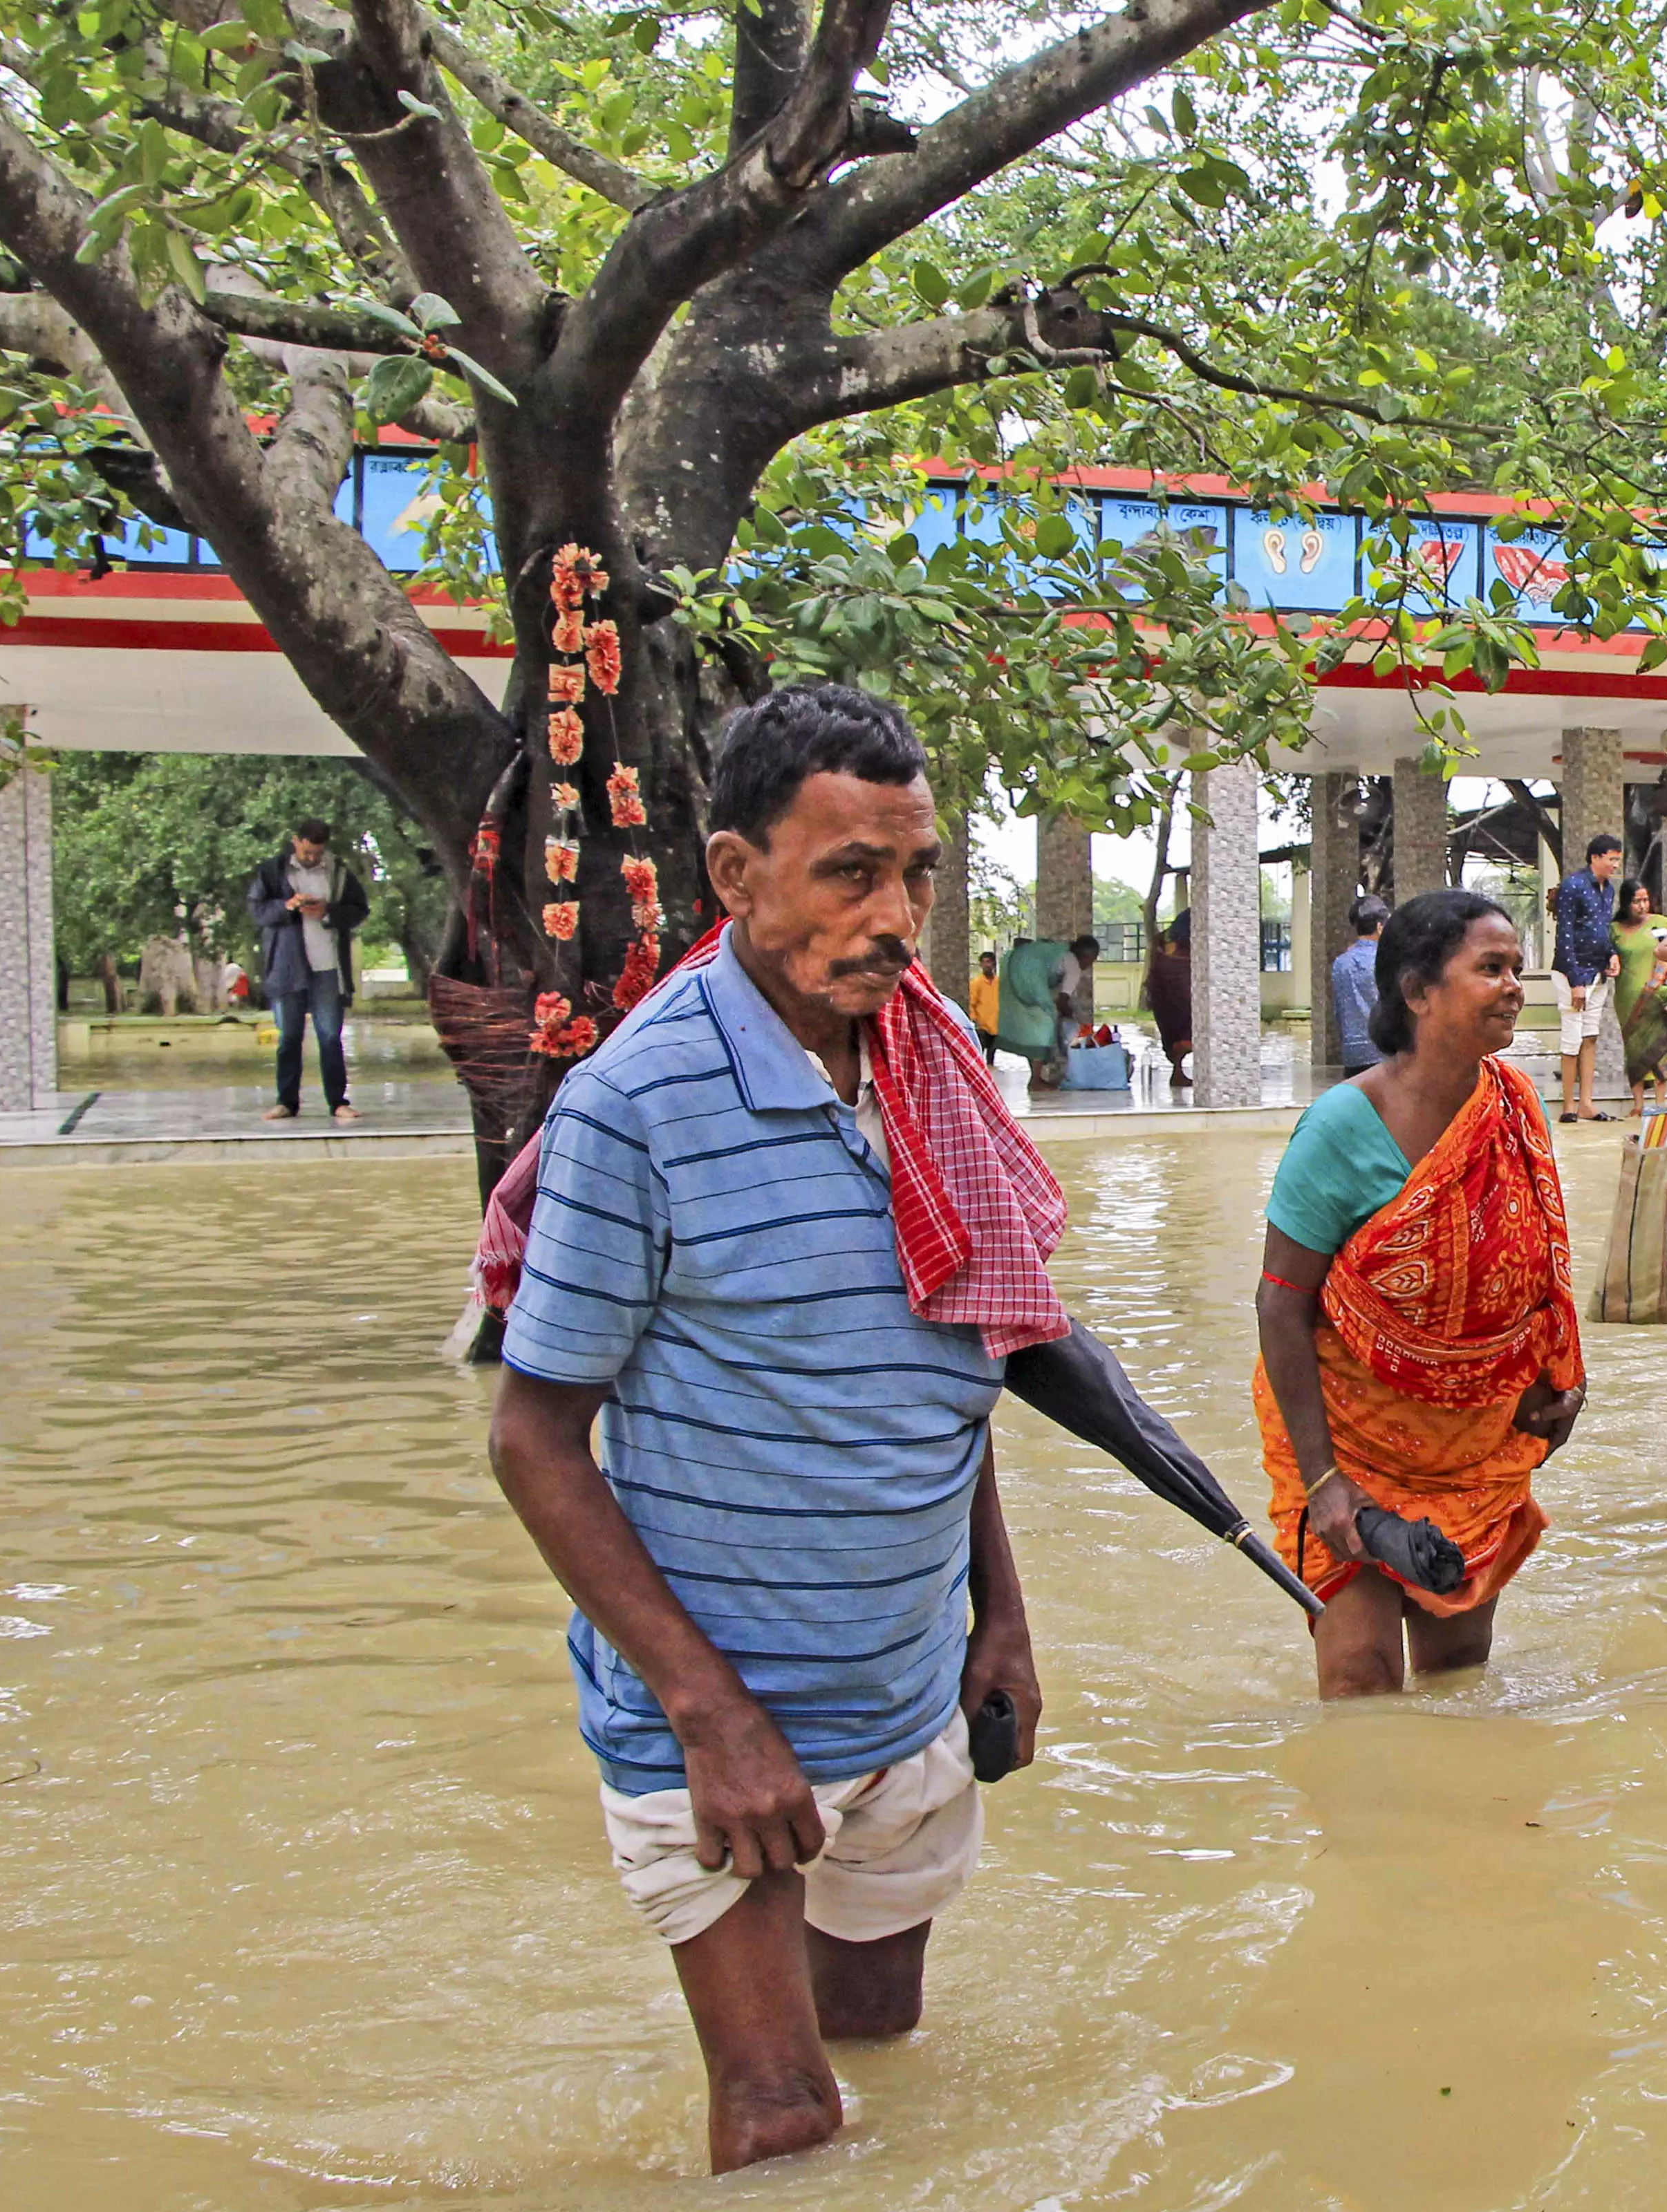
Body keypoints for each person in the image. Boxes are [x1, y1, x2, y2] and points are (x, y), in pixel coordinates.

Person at [485, 685, 1048, 2172]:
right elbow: (534, 1441)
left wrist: (1001, 1615)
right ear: (737, 877)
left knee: (885, 2055)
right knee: (787, 2119)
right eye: (850, 873)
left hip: (912, 1692)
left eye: (919, 872)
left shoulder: (935, 1066)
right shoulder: (635, 1107)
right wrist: (710, 1715)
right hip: (722, 1734)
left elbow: (951, 1360)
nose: (899, 916)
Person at [1253, 890, 1586, 1698]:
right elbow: (1280, 1306)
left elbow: (1532, 1271)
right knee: (1361, 1679)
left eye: (1516, 967)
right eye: (1491, 968)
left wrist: (1563, 1383)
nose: (1514, 985)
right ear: (1417, 990)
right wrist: (1326, 1478)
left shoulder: (1513, 1107)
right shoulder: (1340, 1127)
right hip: (1349, 1446)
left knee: (1456, 1679)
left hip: (1470, 1450)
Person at [244, 818, 371, 1123]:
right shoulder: (273, 871)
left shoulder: (338, 872)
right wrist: (288, 906)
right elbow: (258, 910)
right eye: (307, 852)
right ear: (295, 842)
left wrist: (328, 911)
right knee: (289, 1037)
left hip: (327, 966)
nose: (312, 858)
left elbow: (359, 910)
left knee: (330, 1036)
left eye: (317, 853)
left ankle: (338, 1101)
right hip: (287, 967)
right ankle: (286, 1102)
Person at [1552, 832, 1623, 1121]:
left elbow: (1603, 929)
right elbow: (1565, 934)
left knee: (1590, 1035)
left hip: (1598, 972)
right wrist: (1575, 980)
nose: (1616, 866)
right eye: (1612, 860)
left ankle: (1587, 1103)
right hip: (1573, 973)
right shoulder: (1573, 886)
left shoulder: (1609, 890)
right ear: (1595, 858)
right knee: (1572, 1038)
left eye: (1618, 860)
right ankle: (1569, 1105)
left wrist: (1612, 954)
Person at [1610, 879, 1667, 1108]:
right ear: (1625, 903)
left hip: (1658, 996)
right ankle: (1638, 1105)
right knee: (1634, 1049)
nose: (1642, 906)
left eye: (1645, 900)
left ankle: (1660, 1104)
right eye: (1636, 902)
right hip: (1628, 1000)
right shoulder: (1613, 930)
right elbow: (1604, 955)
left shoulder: (1661, 925)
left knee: (1660, 1047)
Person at [994, 935, 1068, 1088]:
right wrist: (1051, 1008)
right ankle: (1035, 1081)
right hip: (1030, 1009)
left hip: (1016, 1010)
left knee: (1034, 1046)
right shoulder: (1025, 964)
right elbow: (1035, 990)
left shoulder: (1008, 959)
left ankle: (1037, 1077)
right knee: (1040, 1040)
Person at [1328, 893, 1389, 1075]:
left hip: (1352, 1054)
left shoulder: (1341, 963)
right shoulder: (1386, 960)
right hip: (1383, 1053)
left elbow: (1339, 1012)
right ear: (1380, 927)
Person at [1144, 912, 1195, 1087]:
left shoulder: (1162, 945)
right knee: (1185, 1031)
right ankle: (1179, 1072)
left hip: (1165, 994)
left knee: (1175, 1034)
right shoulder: (1179, 945)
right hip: (1175, 994)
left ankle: (1178, 1072)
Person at [967, 949, 1001, 1064]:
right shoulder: (977, 983)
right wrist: (974, 1019)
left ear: (994, 964)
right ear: (981, 964)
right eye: (985, 962)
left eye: (989, 962)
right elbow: (973, 1002)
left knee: (992, 1055)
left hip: (996, 1023)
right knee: (979, 1052)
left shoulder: (1000, 982)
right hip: (982, 1024)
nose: (987, 965)